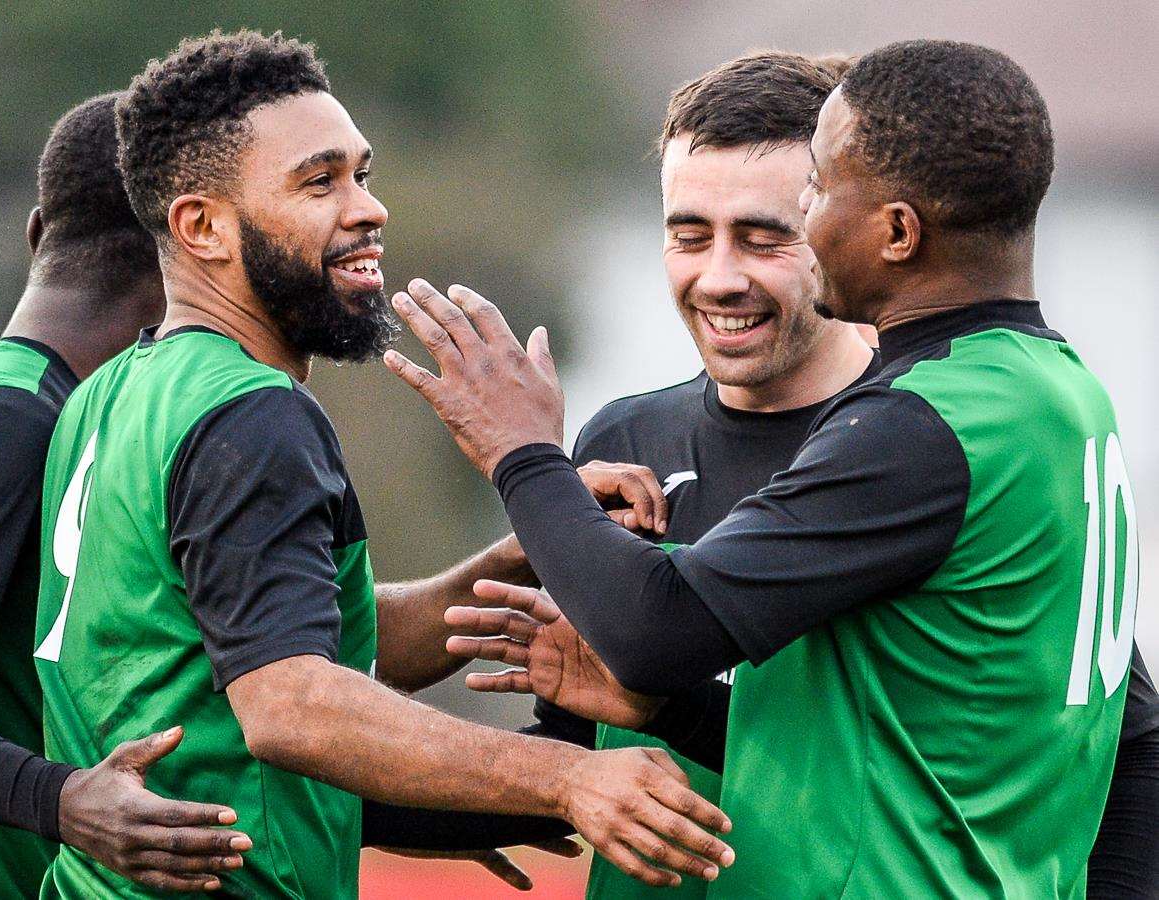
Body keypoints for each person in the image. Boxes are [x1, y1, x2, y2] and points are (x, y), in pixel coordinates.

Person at [386, 39, 1152, 896]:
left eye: (776, 226)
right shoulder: (1049, 393)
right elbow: (600, 767)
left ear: (895, 229)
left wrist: (520, 456)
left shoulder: (919, 432)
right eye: (688, 234)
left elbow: (1121, 745)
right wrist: (301, 790)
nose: (719, 276)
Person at [32, 30, 733, 898]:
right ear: (201, 226)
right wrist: (568, 779)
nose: (368, 208)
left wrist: (508, 560)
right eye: (319, 181)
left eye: (362, 173)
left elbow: (285, 641)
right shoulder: (252, 413)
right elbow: (290, 701)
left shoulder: (108, 396)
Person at [0, 93, 256, 897]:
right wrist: (63, 803)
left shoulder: (30, 405)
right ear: (195, 252)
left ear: (37, 234)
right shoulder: (5, 421)